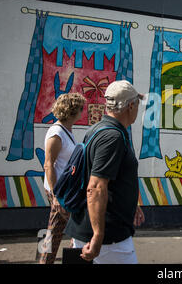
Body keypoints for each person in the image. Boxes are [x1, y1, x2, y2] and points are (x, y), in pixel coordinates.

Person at [65, 80, 145, 264]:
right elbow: (95, 187)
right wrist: (98, 235)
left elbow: (110, 180)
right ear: (130, 105)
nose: (138, 109)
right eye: (137, 104)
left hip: (97, 228)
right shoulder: (113, 137)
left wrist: (132, 203)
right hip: (109, 236)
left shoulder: (98, 129)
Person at [39, 92, 86, 264]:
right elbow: (48, 165)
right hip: (59, 192)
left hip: (64, 191)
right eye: (81, 109)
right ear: (72, 111)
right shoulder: (56, 133)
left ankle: (46, 260)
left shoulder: (67, 131)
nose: (83, 113)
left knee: (56, 232)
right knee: (76, 230)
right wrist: (56, 195)